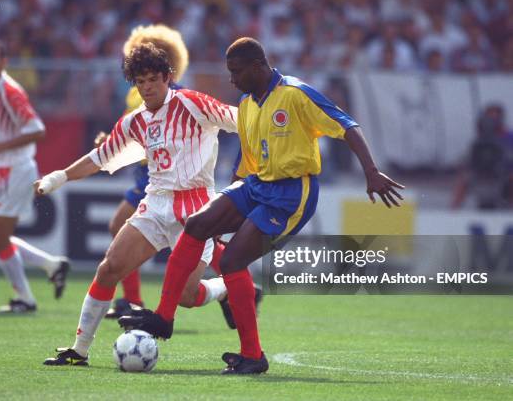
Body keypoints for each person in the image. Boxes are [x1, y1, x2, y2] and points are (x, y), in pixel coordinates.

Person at [120, 37, 405, 375]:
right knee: (198, 224)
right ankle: (164, 318)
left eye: (236, 71)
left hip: (291, 193)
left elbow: (347, 126)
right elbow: (248, 162)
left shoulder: (295, 94)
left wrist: (370, 172)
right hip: (256, 185)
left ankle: (253, 355)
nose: (231, 79)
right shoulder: (247, 105)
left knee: (235, 260)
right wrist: (228, 204)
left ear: (258, 66)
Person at [38, 43, 239, 366]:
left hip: (197, 211)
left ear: (167, 77)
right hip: (156, 204)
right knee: (109, 269)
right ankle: (79, 350)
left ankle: (222, 290)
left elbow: (240, 120)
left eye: (152, 80)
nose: (146, 87)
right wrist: (59, 177)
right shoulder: (134, 122)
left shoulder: (193, 103)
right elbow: (99, 158)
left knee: (187, 297)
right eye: (140, 81)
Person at [94, 24, 190, 319]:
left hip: (165, 175)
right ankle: (131, 299)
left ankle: (234, 286)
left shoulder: (177, 94)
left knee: (193, 239)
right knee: (121, 226)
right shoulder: (137, 94)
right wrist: (108, 144)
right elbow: (130, 131)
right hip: (145, 173)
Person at [0, 38, 70, 313]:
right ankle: (51, 266)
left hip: (16, 168)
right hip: (3, 168)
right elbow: (3, 133)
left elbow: (38, 129)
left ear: (4, 62)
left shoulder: (9, 90)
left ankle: (27, 297)